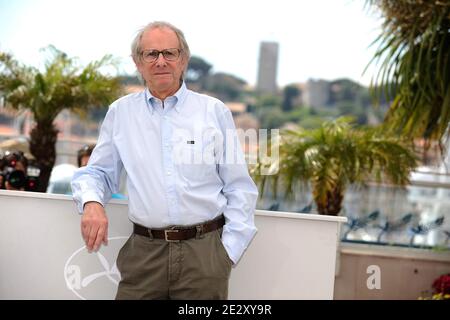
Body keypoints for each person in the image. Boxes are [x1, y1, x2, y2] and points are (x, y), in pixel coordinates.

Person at [71, 21, 258, 300]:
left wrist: (226, 252)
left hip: (204, 255)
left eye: (169, 53)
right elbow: (98, 172)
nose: (161, 61)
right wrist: (92, 202)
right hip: (144, 255)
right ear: (138, 62)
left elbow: (239, 186)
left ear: (183, 60)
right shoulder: (121, 113)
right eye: (151, 54)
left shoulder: (213, 112)